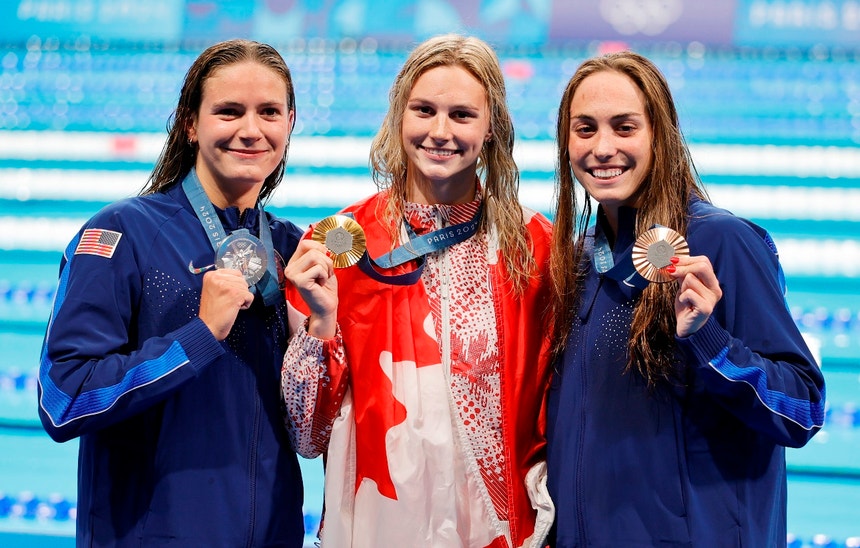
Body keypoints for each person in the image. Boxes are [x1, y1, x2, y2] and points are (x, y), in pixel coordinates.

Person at [281, 34, 554, 547]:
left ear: (492, 127)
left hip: (500, 529)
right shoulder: (339, 244)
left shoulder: (535, 248)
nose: (439, 132)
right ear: (398, 116)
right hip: (379, 525)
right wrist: (318, 326)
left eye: (462, 115)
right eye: (423, 110)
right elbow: (307, 434)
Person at [545, 50, 826, 547]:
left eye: (625, 127)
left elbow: (801, 408)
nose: (603, 147)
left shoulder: (721, 243)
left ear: (661, 135)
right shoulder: (580, 260)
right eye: (585, 129)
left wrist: (710, 342)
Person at [37, 39, 306, 546]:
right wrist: (198, 335)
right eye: (229, 111)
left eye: (269, 112)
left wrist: (324, 335)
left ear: (290, 123)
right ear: (190, 124)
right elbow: (63, 397)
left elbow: (316, 427)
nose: (251, 130)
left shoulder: (295, 249)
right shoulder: (123, 233)